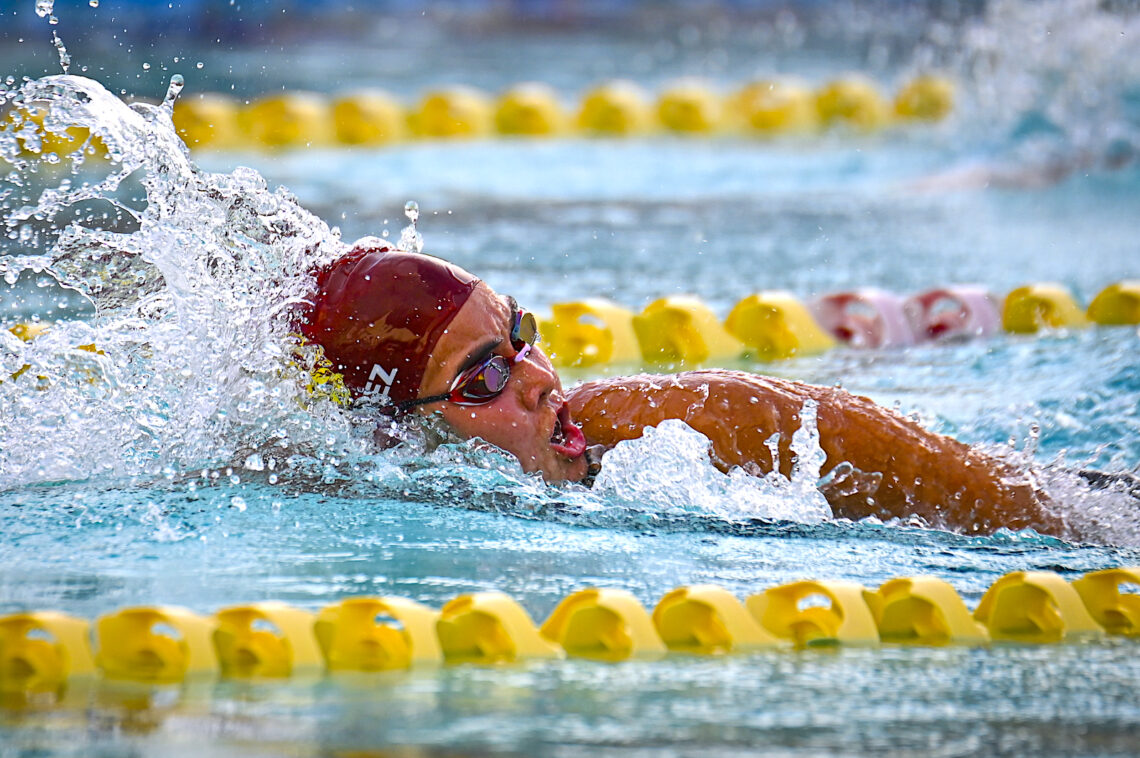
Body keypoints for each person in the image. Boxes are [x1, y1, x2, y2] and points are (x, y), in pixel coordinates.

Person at [299, 238, 1065, 537]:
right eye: (486, 375)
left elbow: (998, 499)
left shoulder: (654, 427)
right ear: (395, 430)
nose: (538, 379)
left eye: (520, 337)